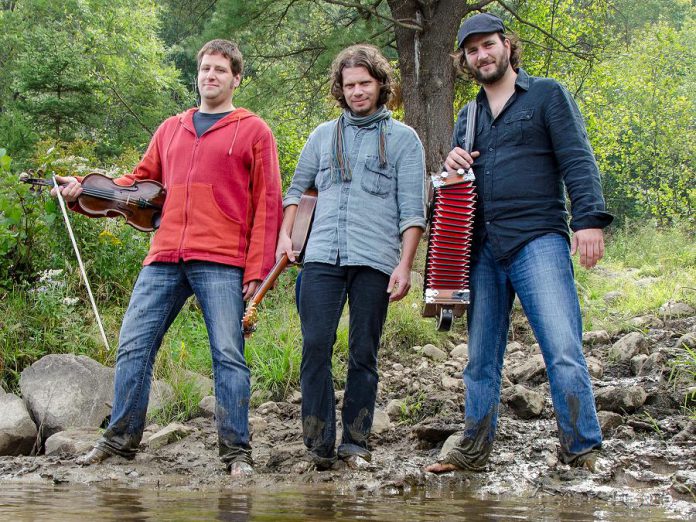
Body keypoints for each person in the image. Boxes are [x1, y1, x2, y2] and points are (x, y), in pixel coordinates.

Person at [52, 39, 283, 477]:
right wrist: (83, 189)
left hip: (221, 259)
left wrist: (257, 271)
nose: (209, 76)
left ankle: (236, 453)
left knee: (228, 354)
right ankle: (119, 441)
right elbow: (135, 184)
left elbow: (268, 204)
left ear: (236, 78)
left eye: (219, 70)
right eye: (204, 69)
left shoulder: (254, 130)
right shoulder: (171, 128)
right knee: (133, 345)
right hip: (164, 255)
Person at [426, 13, 613, 474]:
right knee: (480, 357)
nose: (481, 55)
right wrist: (451, 166)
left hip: (539, 239)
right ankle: (472, 449)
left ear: (507, 45)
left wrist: (588, 220)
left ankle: (581, 447)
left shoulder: (547, 94)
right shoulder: (466, 119)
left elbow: (577, 157)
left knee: (562, 347)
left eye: (488, 45)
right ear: (464, 59)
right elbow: (457, 191)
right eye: (472, 51)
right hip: (483, 249)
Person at [277, 44, 426, 469]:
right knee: (315, 346)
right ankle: (318, 446)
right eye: (349, 85)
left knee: (364, 351)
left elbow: (413, 211)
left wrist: (405, 265)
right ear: (340, 90)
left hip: (376, 260)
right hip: (322, 255)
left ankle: (356, 442)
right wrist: (285, 237)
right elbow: (296, 191)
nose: (357, 91)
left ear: (380, 85)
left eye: (365, 83)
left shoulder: (404, 140)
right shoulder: (322, 135)